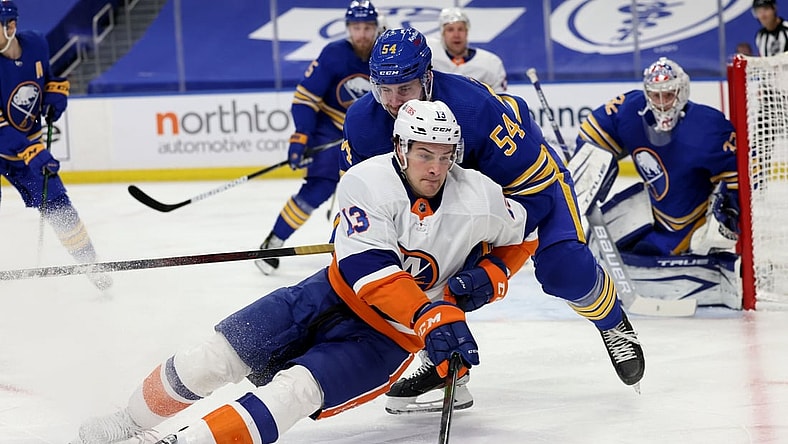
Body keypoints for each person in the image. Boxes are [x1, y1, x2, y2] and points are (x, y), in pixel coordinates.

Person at [71, 99, 538, 444]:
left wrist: (492, 276)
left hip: (386, 339)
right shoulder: (366, 180)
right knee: (212, 357)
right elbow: (370, 270)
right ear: (400, 147)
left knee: (293, 392)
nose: (435, 167)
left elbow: (527, 233)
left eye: (444, 155)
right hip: (326, 294)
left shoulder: (478, 196)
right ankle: (127, 421)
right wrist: (431, 316)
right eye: (424, 153)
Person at [342, 27, 645, 415]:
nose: (394, 102)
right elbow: (362, 199)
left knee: (563, 270)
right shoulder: (363, 121)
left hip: (526, 185)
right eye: (384, 89)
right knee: (415, 267)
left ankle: (611, 320)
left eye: (405, 88)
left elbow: (533, 193)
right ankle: (445, 364)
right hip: (456, 199)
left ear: (427, 77)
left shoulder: (473, 109)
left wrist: (497, 267)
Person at [576, 57, 740, 308]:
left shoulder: (708, 126)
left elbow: (736, 177)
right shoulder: (631, 109)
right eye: (655, 95)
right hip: (652, 209)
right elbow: (592, 132)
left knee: (644, 256)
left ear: (682, 91)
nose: (662, 103)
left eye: (669, 95)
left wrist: (728, 214)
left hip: (689, 222)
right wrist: (591, 165)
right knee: (594, 247)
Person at [254, 0, 379, 275]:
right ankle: (274, 241)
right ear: (348, 28)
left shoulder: (385, 54)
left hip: (370, 132)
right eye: (356, 27)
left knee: (380, 191)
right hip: (331, 127)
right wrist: (302, 134)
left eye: (367, 27)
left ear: (376, 27)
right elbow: (305, 98)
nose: (362, 34)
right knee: (318, 188)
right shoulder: (334, 54)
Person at [0, 0, 111, 290]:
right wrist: (31, 151)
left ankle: (91, 265)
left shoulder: (36, 43)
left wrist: (54, 95)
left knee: (58, 204)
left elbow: (50, 78)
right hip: (13, 145)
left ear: (11, 27)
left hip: (27, 145)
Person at [428, 7, 507, 93]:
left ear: (467, 32)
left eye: (460, 29)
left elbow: (500, 98)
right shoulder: (430, 57)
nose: (456, 35)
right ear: (442, 34)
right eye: (450, 30)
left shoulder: (491, 63)